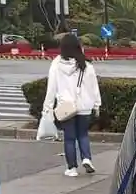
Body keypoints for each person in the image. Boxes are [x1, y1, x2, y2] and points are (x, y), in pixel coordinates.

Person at [43, 33, 101, 177]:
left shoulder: (56, 65)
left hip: (66, 107)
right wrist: (97, 104)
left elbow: (51, 88)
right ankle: (87, 158)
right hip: (85, 106)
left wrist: (48, 107)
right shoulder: (86, 65)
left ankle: (72, 168)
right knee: (83, 134)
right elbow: (94, 87)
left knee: (69, 138)